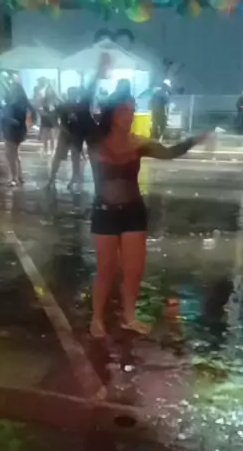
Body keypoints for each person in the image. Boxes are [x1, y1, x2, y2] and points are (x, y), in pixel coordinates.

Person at [86, 95, 208, 338]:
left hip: (133, 212)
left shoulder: (139, 143)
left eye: (132, 110)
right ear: (112, 113)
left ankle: (129, 317)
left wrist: (194, 140)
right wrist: (95, 77)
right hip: (104, 212)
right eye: (124, 111)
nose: (130, 115)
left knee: (134, 269)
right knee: (106, 269)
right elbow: (81, 107)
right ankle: (97, 318)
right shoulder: (96, 140)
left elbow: (170, 152)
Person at [49, 87, 86, 189]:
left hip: (74, 135)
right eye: (71, 93)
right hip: (68, 134)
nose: (73, 95)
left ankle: (71, 178)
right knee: (61, 157)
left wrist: (58, 125)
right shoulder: (66, 106)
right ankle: (52, 177)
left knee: (74, 157)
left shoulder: (78, 107)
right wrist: (58, 126)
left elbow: (52, 116)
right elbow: (52, 116)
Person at [2, 82, 33, 186]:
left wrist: (7, 119)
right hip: (19, 131)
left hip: (12, 131)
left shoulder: (13, 104)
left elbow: (9, 118)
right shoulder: (22, 103)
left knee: (10, 154)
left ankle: (14, 178)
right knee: (14, 154)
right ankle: (19, 176)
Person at [39, 84, 58, 156]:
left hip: (52, 119)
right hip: (45, 118)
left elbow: (56, 110)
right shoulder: (44, 100)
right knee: (45, 135)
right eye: (48, 90)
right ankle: (45, 149)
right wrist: (43, 113)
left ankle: (52, 149)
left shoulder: (54, 100)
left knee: (52, 135)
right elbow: (40, 108)